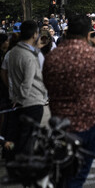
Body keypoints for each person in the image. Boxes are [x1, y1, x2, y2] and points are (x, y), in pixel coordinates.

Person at [43, 15, 95, 187]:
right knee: (78, 175)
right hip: (88, 123)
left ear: (67, 31)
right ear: (88, 34)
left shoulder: (53, 57)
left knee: (63, 173)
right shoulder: (93, 56)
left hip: (59, 123)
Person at [4, 21, 47, 182]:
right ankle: (23, 171)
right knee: (28, 140)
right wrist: (21, 98)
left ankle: (16, 170)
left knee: (20, 137)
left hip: (18, 101)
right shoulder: (28, 56)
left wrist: (16, 98)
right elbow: (27, 82)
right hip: (31, 101)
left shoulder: (13, 52)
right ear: (35, 34)